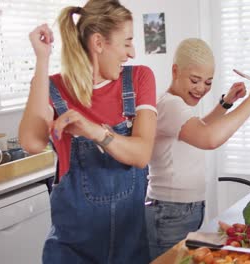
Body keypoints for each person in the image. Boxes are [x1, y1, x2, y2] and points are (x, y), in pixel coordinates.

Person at [19, 0, 157, 263]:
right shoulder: (53, 88)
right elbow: (31, 142)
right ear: (98, 43)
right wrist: (42, 60)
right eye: (127, 42)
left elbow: (141, 155)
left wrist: (94, 132)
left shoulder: (139, 78)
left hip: (131, 253)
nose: (132, 52)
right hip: (71, 254)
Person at [145, 38, 250, 259]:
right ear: (175, 71)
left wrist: (226, 103)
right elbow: (209, 138)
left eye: (207, 82)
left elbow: (199, 129)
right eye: (195, 80)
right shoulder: (170, 104)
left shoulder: (176, 105)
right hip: (170, 212)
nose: (201, 89)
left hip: (182, 209)